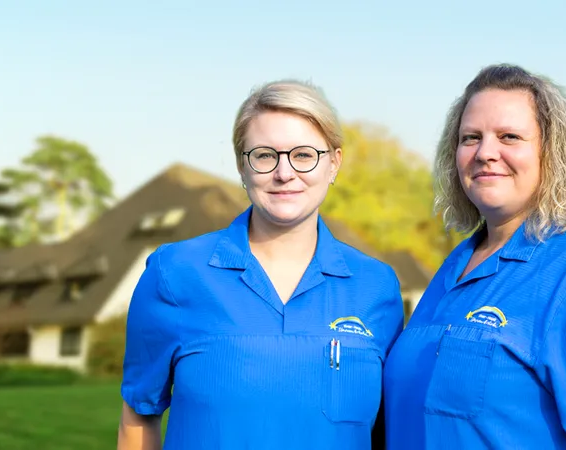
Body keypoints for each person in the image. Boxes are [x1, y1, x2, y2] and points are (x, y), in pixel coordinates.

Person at [383, 64, 566, 450]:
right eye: (470, 138)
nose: (485, 153)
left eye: (509, 136)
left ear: (551, 153)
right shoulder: (455, 266)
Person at [117, 79, 405, 450]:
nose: (284, 173)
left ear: (334, 163)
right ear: (242, 166)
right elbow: (138, 417)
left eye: (304, 155)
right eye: (265, 155)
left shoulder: (376, 286)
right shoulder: (174, 273)